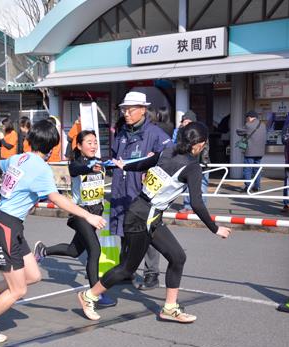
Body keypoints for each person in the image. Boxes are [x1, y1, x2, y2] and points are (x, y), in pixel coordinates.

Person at [0, 119, 106, 344]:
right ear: (52, 147)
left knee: (33, 275)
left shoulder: (19, 158)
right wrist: (88, 215)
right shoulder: (41, 168)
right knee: (18, 290)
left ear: (30, 140)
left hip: (8, 225)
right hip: (6, 227)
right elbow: (57, 198)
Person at [78, 122, 231, 322]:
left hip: (149, 215)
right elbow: (196, 203)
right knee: (127, 268)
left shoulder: (168, 151)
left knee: (177, 257)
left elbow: (144, 164)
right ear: (200, 145)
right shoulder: (192, 167)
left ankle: (169, 308)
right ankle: (89, 296)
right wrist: (215, 228)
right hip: (141, 218)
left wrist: (126, 165)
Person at [33, 130, 116, 307]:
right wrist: (89, 167)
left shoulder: (100, 163)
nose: (93, 145)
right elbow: (74, 169)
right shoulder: (77, 163)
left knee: (74, 250)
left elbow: (115, 165)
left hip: (95, 212)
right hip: (81, 213)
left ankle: (43, 251)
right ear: (79, 146)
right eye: (89, 142)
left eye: (95, 142)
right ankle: (94, 294)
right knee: (94, 250)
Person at [111, 91, 172, 291]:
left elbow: (169, 160)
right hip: (122, 189)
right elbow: (114, 158)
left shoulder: (156, 134)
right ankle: (126, 270)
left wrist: (151, 169)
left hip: (144, 192)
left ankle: (151, 274)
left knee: (147, 232)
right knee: (124, 231)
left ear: (143, 110)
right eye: (124, 109)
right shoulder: (121, 133)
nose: (126, 113)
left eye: (130, 109)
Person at [177, 111, 210, 214]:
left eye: (189, 121)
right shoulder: (180, 132)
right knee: (187, 185)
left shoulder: (200, 131)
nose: (186, 124)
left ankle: (201, 208)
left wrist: (204, 160)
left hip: (200, 161)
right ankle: (188, 206)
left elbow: (205, 146)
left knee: (202, 185)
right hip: (187, 162)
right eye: (184, 121)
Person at [236, 111, 267, 192]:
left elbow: (238, 131)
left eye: (247, 118)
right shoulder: (263, 125)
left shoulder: (248, 125)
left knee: (247, 169)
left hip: (250, 151)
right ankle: (257, 187)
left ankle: (248, 186)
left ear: (249, 117)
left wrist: (245, 125)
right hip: (260, 152)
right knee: (257, 169)